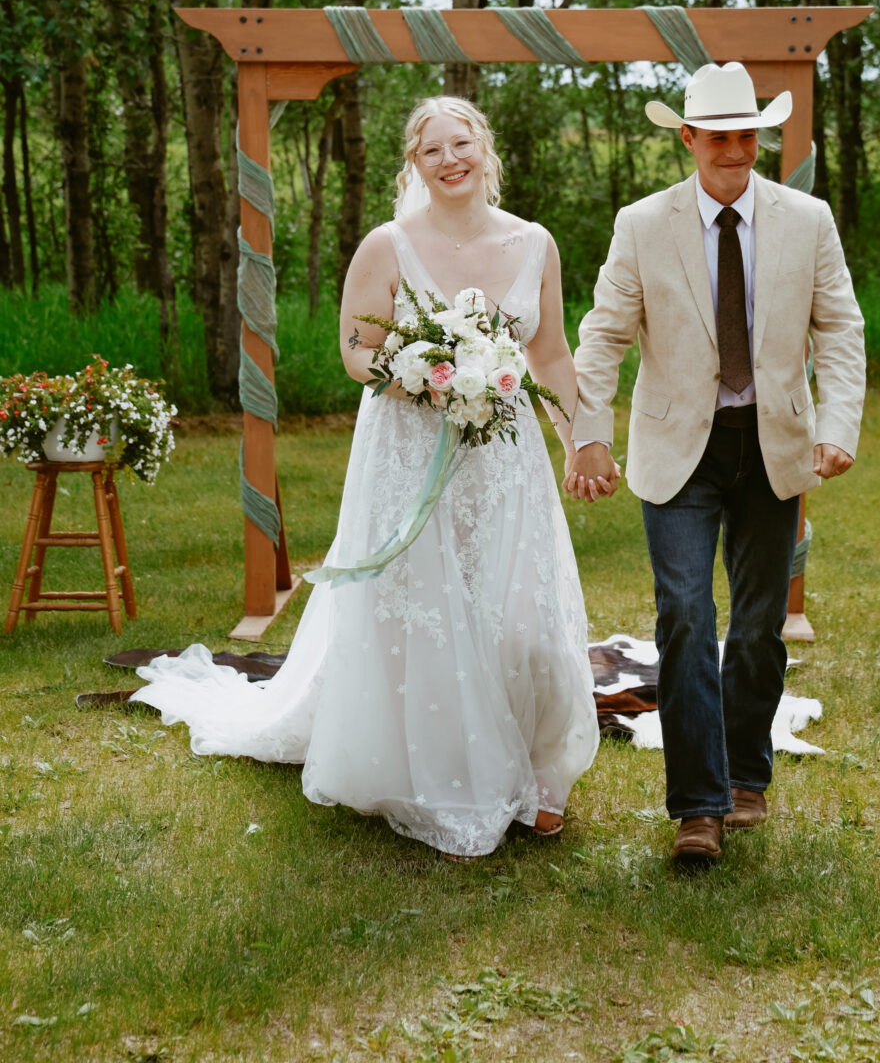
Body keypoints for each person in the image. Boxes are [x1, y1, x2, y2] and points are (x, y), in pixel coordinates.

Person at [133, 97, 598, 858]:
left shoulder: (533, 243)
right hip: (408, 452)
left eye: (461, 143)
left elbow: (547, 354)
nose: (450, 159)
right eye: (430, 150)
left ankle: (542, 769)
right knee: (424, 611)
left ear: (485, 149)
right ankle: (439, 767)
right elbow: (357, 351)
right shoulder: (387, 245)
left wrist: (581, 438)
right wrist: (422, 373)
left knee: (521, 610)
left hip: (502, 460)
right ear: (412, 166)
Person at [565, 61, 865, 869]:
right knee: (687, 616)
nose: (733, 150)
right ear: (688, 138)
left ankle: (745, 781)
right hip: (677, 450)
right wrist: (586, 431)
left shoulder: (806, 218)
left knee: (760, 625)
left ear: (756, 137)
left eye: (746, 135)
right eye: (718, 136)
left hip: (775, 444)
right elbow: (603, 335)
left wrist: (836, 424)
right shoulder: (641, 223)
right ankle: (696, 807)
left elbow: (838, 328)